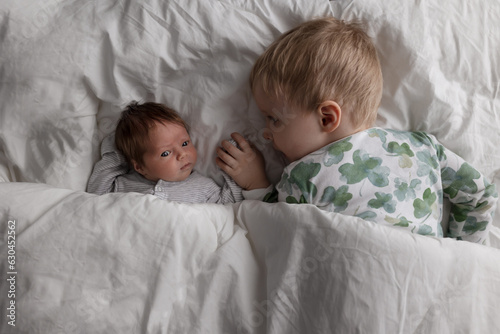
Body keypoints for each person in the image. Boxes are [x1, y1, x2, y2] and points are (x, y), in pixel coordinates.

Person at [216, 17, 498, 244]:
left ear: (326, 117)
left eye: (273, 119)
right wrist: (460, 256)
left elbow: (271, 234)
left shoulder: (303, 175)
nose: (266, 133)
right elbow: (480, 195)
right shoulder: (423, 148)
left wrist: (256, 184)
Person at [87, 101, 242, 204]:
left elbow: (231, 203)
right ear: (140, 167)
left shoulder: (203, 187)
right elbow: (95, 195)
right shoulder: (121, 185)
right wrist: (118, 149)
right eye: (166, 153)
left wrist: (233, 165)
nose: (182, 154)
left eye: (185, 143)